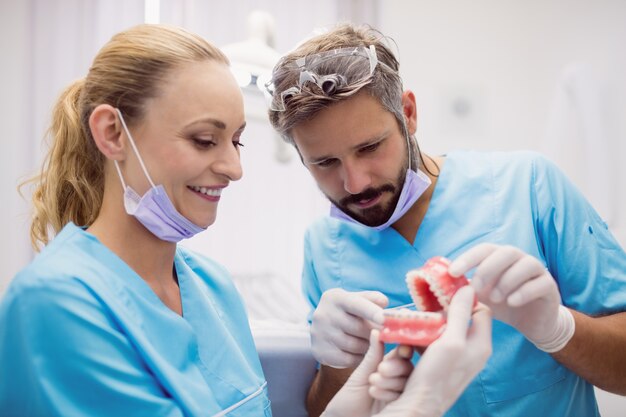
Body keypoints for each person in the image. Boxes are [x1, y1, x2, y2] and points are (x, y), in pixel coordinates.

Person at [0, 24, 491, 417]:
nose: (234, 169)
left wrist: (353, 399)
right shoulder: (56, 305)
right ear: (112, 133)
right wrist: (421, 404)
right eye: (203, 139)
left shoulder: (209, 288)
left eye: (236, 140)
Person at [266, 23, 626, 417]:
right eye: (325, 162)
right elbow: (323, 410)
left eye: (370, 147)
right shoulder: (323, 244)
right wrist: (338, 365)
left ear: (408, 113)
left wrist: (557, 329)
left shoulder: (528, 185)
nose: (355, 182)